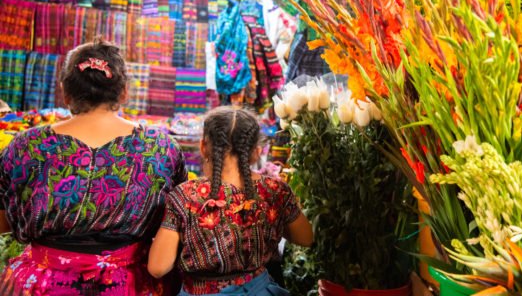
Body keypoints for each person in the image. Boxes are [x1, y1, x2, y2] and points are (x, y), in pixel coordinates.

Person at [0, 40, 187, 295]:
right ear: (123, 93)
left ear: (65, 91)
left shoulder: (25, 146)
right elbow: (174, 222)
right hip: (130, 285)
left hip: (43, 286)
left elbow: (3, 221)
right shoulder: (161, 147)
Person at [148, 106, 313, 295]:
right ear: (256, 152)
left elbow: (157, 267)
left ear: (203, 147)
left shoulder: (185, 196)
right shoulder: (275, 191)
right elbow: (306, 237)